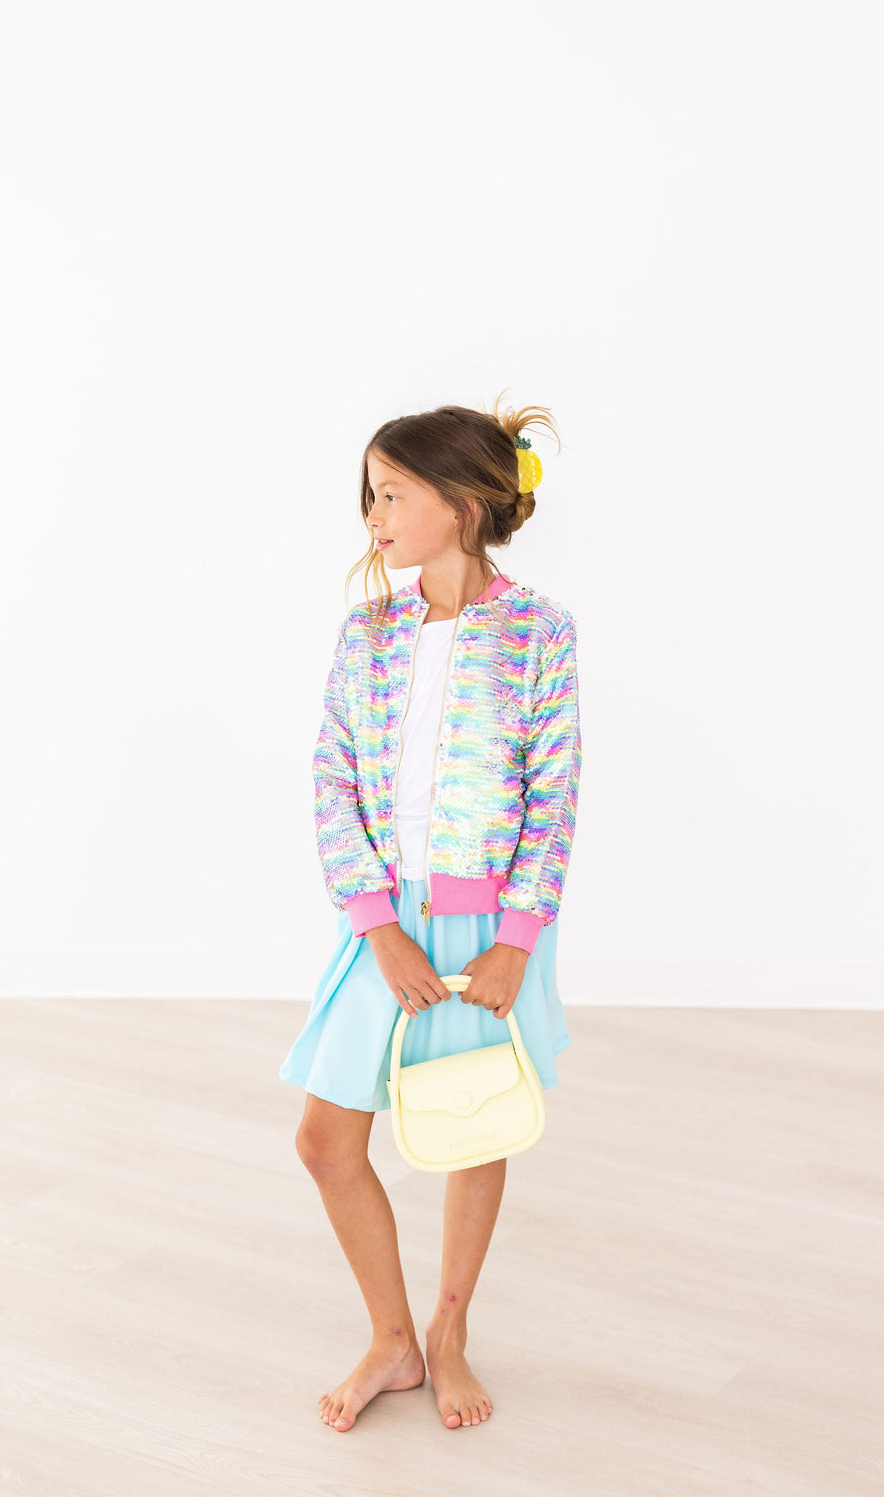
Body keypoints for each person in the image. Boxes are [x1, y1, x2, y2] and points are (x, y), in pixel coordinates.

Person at [278, 393, 582, 1433]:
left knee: (470, 1126)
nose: (372, 515)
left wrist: (514, 943)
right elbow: (331, 779)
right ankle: (393, 1341)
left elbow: (554, 797)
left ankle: (447, 1333)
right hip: (383, 930)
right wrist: (376, 924)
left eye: (392, 494)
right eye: (369, 495)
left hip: (485, 931)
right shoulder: (367, 631)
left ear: (462, 505)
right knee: (326, 1140)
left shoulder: (539, 632)